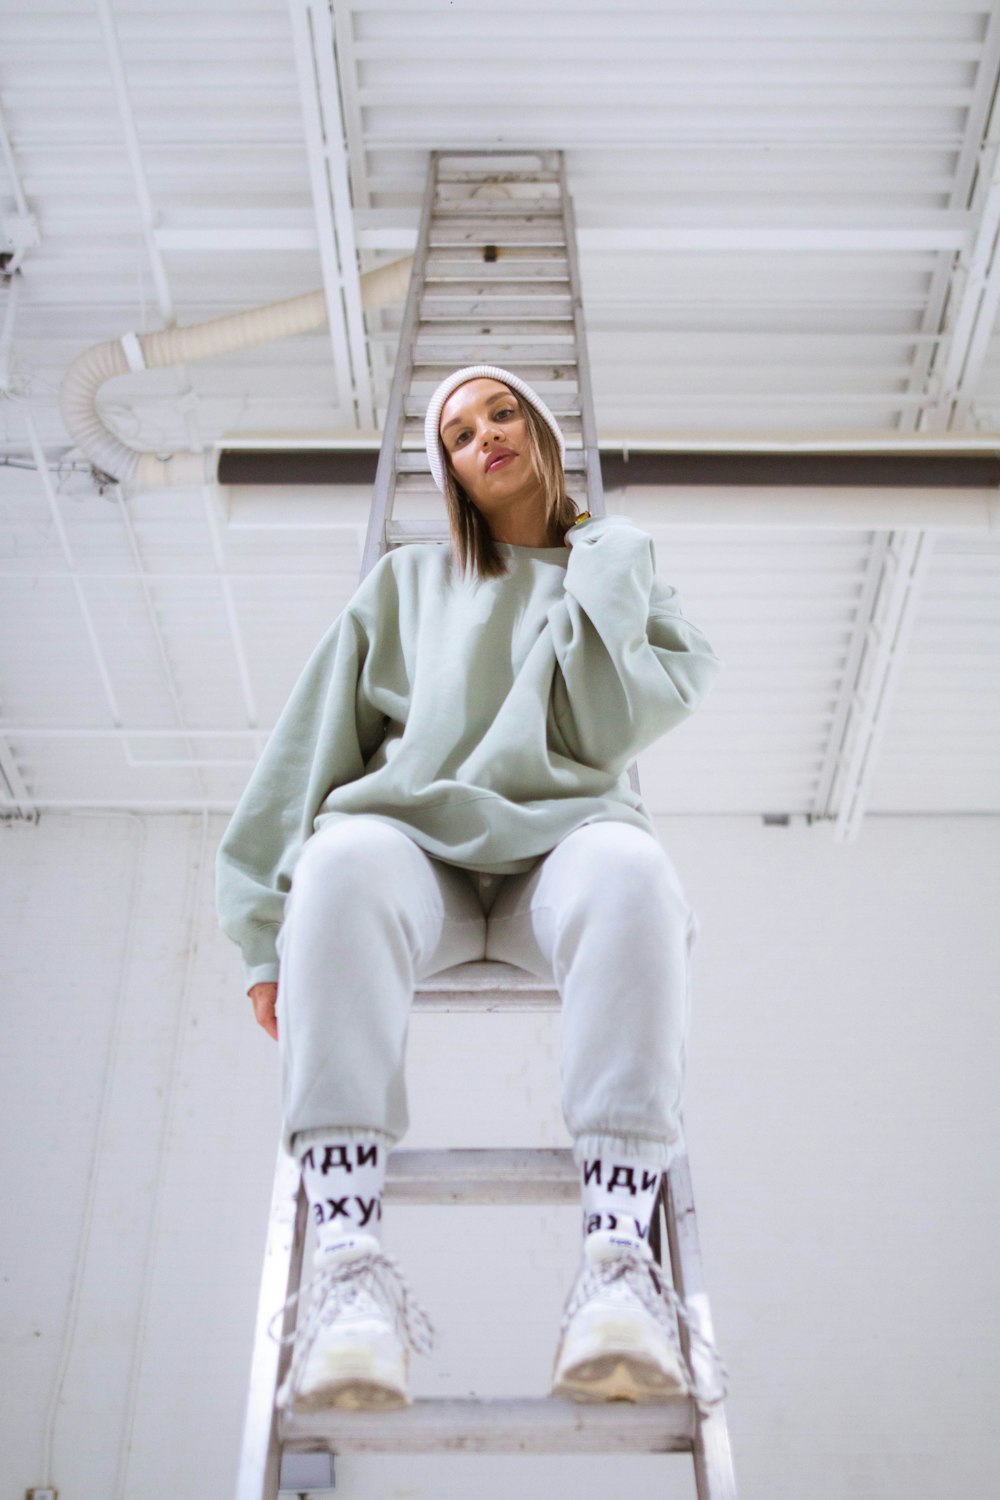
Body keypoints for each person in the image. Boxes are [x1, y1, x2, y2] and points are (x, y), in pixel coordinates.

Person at [215, 363, 727, 1417]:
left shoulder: (619, 572)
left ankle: (617, 1266)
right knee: (342, 858)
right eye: (457, 431)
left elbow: (603, 727)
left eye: (502, 413)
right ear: (445, 469)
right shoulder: (406, 584)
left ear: (537, 429)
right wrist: (266, 931)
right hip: (416, 852)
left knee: (635, 871)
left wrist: (606, 563)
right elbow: (305, 753)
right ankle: (348, 1268)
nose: (483, 435)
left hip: (562, 848)